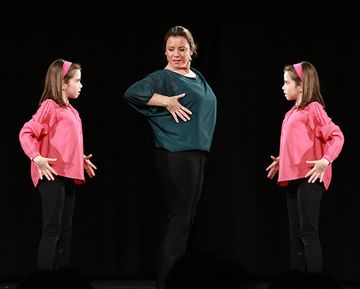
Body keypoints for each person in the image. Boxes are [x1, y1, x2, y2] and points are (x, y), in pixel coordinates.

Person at [123, 25, 217, 289]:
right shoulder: (162, 77)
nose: (176, 54)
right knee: (178, 218)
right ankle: (166, 282)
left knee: (186, 218)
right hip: (176, 153)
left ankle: (177, 279)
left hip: (195, 153)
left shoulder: (195, 74)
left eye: (182, 49)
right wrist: (165, 101)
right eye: (171, 49)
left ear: (192, 50)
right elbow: (131, 93)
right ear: (165, 51)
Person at [266, 61, 344, 273]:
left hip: (309, 178)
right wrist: (283, 160)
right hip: (294, 177)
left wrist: (326, 159)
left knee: (308, 232)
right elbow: (300, 143)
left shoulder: (313, 108)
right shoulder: (292, 113)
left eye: (286, 82)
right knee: (295, 235)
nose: (283, 87)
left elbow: (337, 136)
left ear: (300, 85)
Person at [19, 59, 97, 271]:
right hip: (52, 175)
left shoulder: (71, 110)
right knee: (52, 230)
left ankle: (62, 279)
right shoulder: (50, 106)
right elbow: (26, 133)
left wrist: (79, 158)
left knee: (65, 232)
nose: (81, 86)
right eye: (77, 81)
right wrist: (36, 157)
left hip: (68, 174)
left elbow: (63, 141)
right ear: (63, 83)